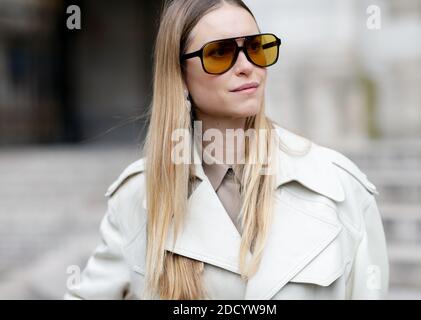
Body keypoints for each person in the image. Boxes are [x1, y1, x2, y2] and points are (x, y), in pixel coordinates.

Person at [64, 0, 389, 300]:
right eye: (219, 53)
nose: (247, 65)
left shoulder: (338, 186)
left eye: (256, 47)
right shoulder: (137, 197)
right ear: (180, 75)